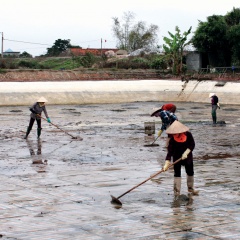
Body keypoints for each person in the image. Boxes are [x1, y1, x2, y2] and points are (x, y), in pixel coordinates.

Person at [162, 120, 198, 196]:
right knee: (177, 174)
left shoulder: (188, 135)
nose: (174, 135)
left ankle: (190, 188)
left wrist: (187, 152)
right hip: (177, 157)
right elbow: (170, 151)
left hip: (187, 157)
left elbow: (192, 144)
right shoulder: (172, 140)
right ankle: (177, 191)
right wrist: (167, 163)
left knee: (190, 172)